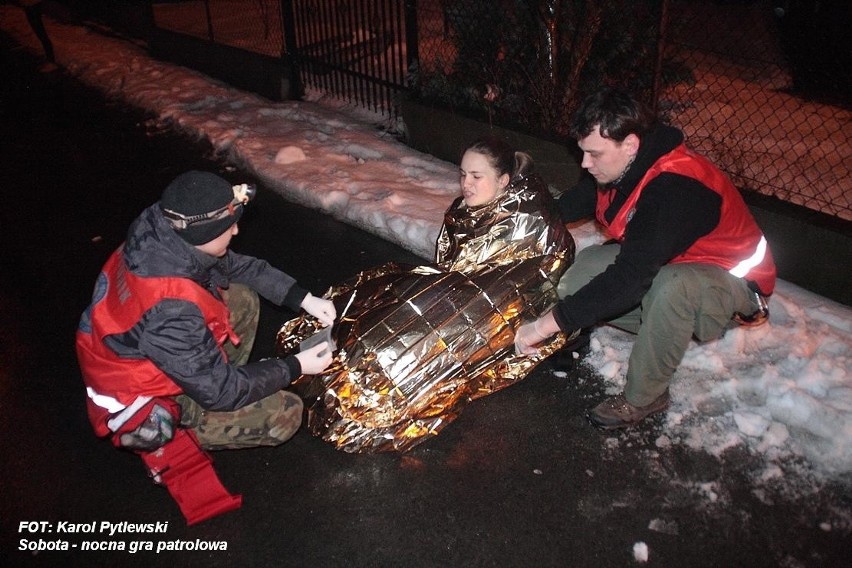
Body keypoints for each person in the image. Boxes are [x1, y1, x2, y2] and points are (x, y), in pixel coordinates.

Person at [277, 135, 574, 452]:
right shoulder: (465, 210)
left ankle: (356, 389)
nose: (466, 184)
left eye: (476, 176)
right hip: (452, 291)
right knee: (372, 305)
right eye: (462, 174)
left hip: (491, 310)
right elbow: (449, 264)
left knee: (395, 353)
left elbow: (537, 273)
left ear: (503, 181)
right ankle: (323, 358)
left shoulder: (531, 222)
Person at [76, 170, 336, 524]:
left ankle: (205, 374)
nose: (236, 231)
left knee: (241, 297)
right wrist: (295, 366)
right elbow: (221, 392)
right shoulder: (169, 309)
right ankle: (173, 432)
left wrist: (302, 297)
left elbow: (239, 267)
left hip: (152, 356)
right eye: (227, 227)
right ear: (200, 234)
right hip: (144, 399)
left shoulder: (164, 237)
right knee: (285, 414)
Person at [515, 87, 776, 430]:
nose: (584, 163)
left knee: (669, 289)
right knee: (579, 274)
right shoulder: (622, 165)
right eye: (582, 152)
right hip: (676, 264)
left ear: (631, 144)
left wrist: (543, 326)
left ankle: (645, 396)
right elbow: (572, 204)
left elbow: (630, 278)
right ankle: (615, 325)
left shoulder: (675, 189)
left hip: (733, 288)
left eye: (594, 154)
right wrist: (518, 223)